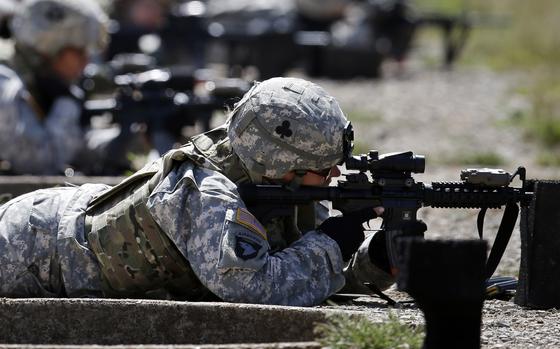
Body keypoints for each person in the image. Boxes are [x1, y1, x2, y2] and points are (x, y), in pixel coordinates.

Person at [0, 77, 397, 305]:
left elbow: (305, 275)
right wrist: (331, 244)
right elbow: (253, 289)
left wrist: (372, 261)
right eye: (322, 168)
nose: (334, 175)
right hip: (32, 248)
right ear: (278, 165)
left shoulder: (274, 183)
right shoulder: (204, 193)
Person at [0, 0, 108, 175]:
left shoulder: (46, 88)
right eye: (79, 51)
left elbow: (81, 149)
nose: (86, 60)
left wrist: (130, 133)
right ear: (48, 49)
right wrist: (66, 105)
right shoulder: (5, 87)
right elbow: (39, 164)